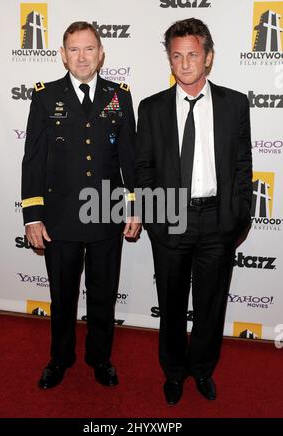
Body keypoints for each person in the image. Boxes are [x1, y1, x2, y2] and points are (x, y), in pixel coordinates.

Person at [135, 18, 252, 405]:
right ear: (169, 60)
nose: (185, 63)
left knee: (210, 306)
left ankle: (202, 370)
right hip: (168, 220)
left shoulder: (234, 104)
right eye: (177, 56)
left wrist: (240, 215)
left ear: (209, 58)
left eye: (193, 55)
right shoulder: (151, 108)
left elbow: (242, 164)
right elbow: (144, 168)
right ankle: (173, 373)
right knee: (170, 305)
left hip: (218, 221)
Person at [22, 21, 140, 390]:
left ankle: (99, 358)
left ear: (101, 53)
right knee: (62, 296)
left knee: (103, 294)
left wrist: (135, 206)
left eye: (89, 48)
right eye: (74, 49)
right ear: (62, 54)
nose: (82, 56)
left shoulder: (119, 95)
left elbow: (130, 157)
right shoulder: (44, 96)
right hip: (60, 217)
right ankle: (60, 359)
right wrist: (32, 216)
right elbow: (34, 159)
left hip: (107, 213)